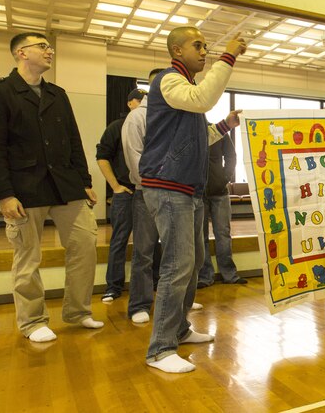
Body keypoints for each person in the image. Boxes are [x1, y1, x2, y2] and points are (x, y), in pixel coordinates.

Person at [0, 32, 104, 343]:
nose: (50, 50)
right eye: (43, 46)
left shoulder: (57, 94)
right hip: (23, 188)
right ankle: (32, 320)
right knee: (28, 256)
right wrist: (4, 195)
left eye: (50, 46)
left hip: (66, 185)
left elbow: (74, 140)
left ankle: (77, 312)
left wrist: (85, 181)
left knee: (85, 245)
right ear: (21, 53)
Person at [138, 26, 246, 373]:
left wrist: (226, 126)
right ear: (177, 51)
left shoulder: (184, 90)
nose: (204, 51)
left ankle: (180, 329)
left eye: (206, 45)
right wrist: (227, 57)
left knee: (194, 259)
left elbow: (202, 137)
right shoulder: (169, 81)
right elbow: (203, 99)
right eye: (197, 45)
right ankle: (160, 349)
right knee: (177, 264)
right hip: (169, 186)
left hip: (186, 188)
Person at [122, 68, 165, 324]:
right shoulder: (138, 116)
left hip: (176, 194)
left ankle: (179, 300)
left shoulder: (177, 115)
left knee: (177, 253)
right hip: (147, 191)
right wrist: (155, 184)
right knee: (144, 251)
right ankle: (139, 303)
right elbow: (134, 155)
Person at [97, 88, 146, 302]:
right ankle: (113, 286)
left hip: (146, 191)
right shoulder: (116, 127)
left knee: (150, 242)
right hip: (125, 191)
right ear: (130, 103)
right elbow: (102, 157)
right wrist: (115, 186)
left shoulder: (150, 127)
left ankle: (151, 283)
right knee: (119, 240)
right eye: (140, 100)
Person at [197, 133, 247, 288]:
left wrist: (225, 177)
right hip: (197, 194)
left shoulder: (219, 132)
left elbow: (231, 156)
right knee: (200, 237)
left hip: (220, 192)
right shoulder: (190, 132)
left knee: (223, 234)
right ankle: (205, 276)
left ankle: (229, 275)